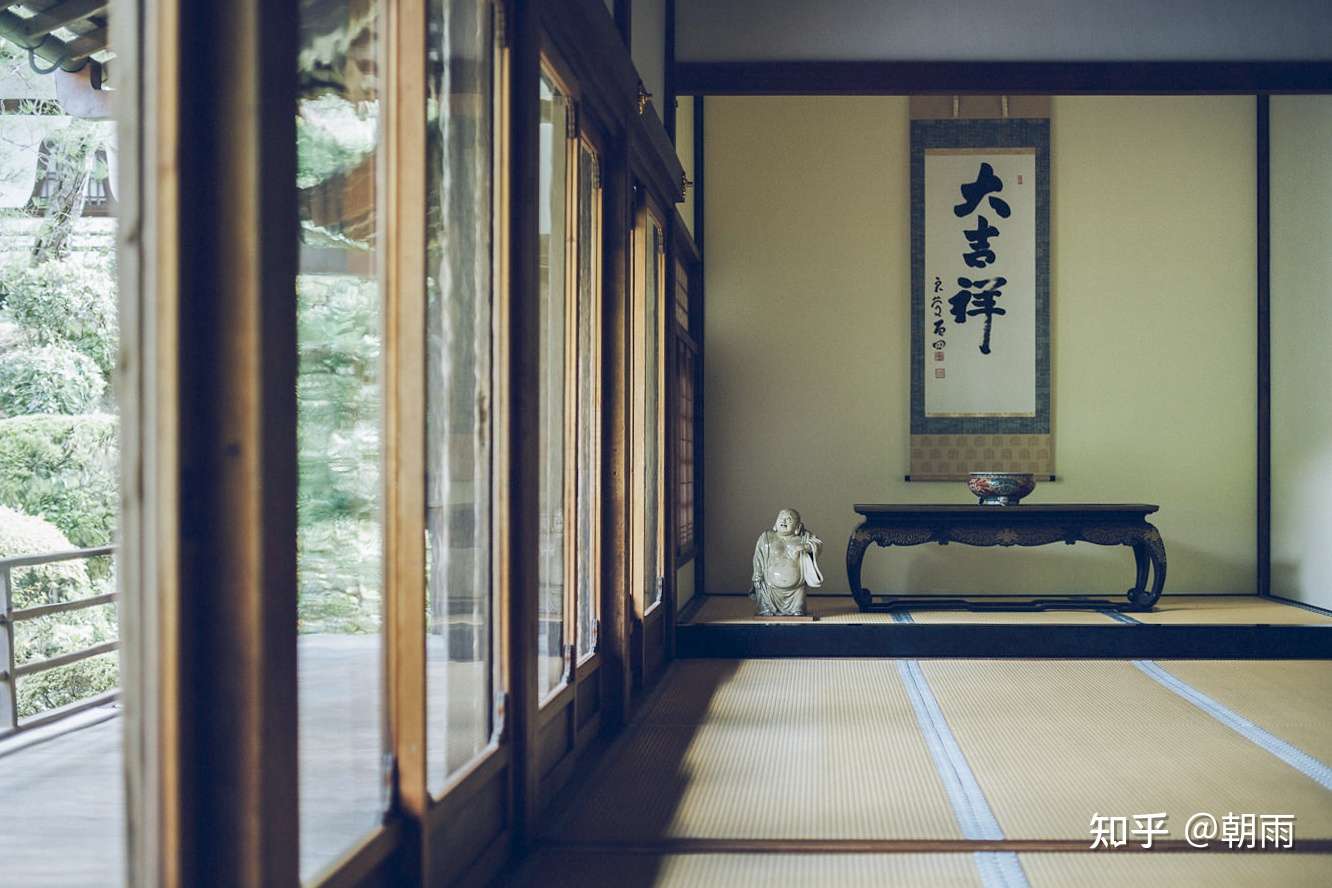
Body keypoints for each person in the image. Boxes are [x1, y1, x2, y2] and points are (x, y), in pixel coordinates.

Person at [751, 508, 823, 616]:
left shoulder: (803, 537)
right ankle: (767, 608)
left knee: (798, 612)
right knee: (766, 610)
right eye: (781, 518)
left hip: (797, 588)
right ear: (775, 523)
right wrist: (757, 574)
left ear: (798, 527)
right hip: (770, 587)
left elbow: (818, 543)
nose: (784, 521)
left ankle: (797, 609)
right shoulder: (766, 537)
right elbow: (758, 558)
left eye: (789, 520)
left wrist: (807, 546)